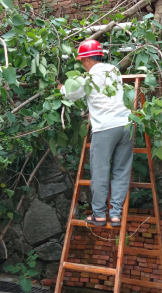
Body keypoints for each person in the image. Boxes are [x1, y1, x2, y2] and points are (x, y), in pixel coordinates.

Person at [57, 40, 133, 227]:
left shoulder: (89, 77)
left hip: (106, 128)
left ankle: (99, 214)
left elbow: (72, 94)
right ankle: (115, 215)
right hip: (127, 124)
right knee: (121, 171)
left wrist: (61, 88)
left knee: (100, 172)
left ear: (88, 61)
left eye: (82, 61)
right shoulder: (114, 70)